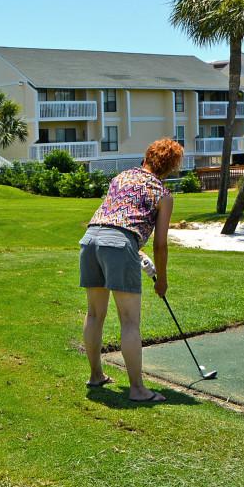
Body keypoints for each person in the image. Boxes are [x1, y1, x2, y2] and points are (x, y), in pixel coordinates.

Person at [78, 138, 184, 402]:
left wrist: (134, 248)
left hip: (90, 239)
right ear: (169, 168)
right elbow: (160, 245)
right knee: (129, 320)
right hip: (118, 242)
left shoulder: (121, 177)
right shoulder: (164, 194)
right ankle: (137, 389)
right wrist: (163, 281)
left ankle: (96, 375)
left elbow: (116, 216)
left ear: (146, 158)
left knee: (94, 313)